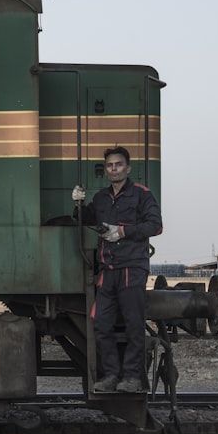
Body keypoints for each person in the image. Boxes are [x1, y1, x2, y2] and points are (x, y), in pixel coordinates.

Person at [72, 146, 163, 394]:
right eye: (110, 165)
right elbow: (86, 219)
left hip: (132, 268)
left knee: (134, 324)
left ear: (128, 168)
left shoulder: (142, 195)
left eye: (119, 164)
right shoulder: (101, 198)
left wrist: (122, 231)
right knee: (101, 324)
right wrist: (78, 205)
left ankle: (132, 377)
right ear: (107, 170)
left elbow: (156, 225)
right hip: (108, 269)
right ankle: (111, 375)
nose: (114, 169)